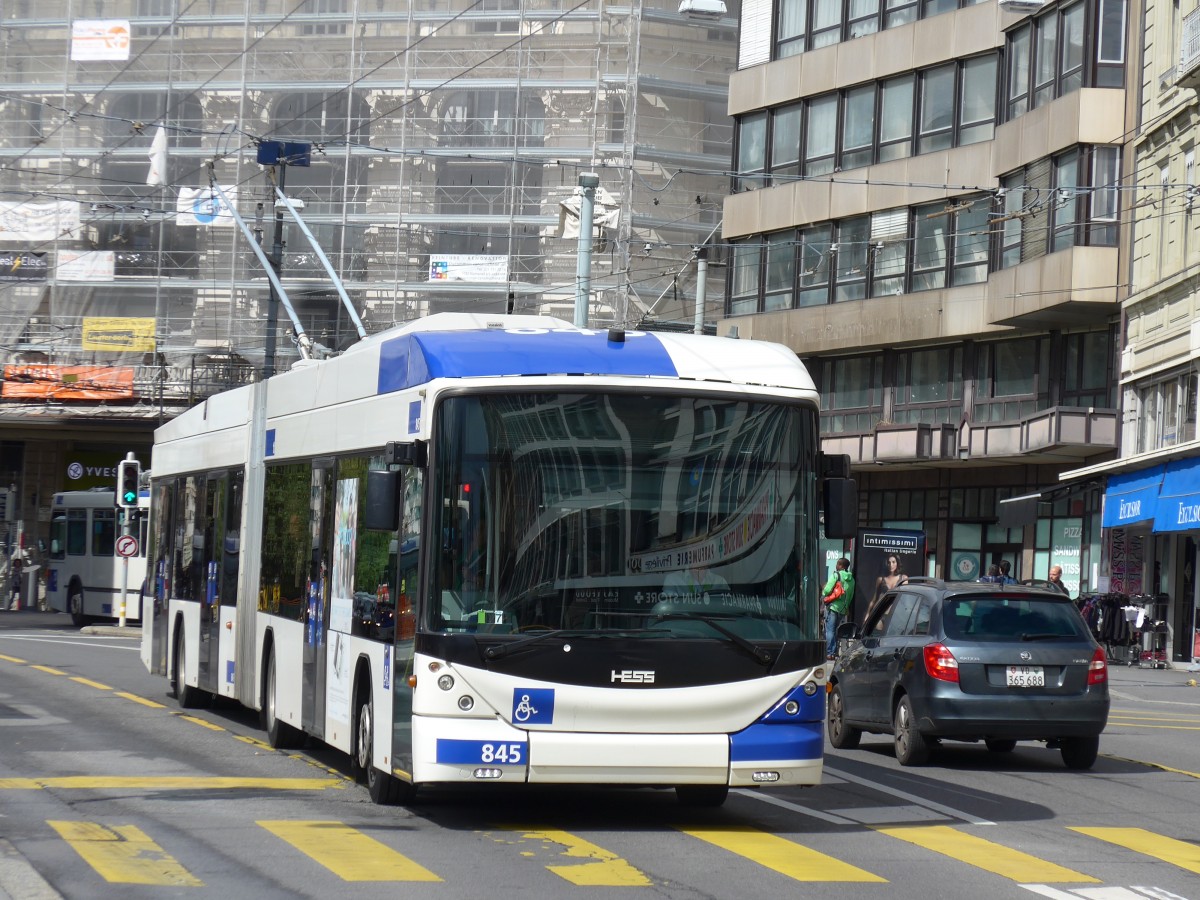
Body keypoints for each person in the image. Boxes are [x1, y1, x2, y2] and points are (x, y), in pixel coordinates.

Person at [822, 557, 854, 660]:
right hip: (842, 609)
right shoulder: (851, 579)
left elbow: (827, 590)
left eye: (837, 564)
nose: (836, 565)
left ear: (841, 566)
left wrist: (823, 594)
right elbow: (850, 596)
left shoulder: (836, 575)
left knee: (829, 630)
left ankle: (829, 653)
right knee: (835, 630)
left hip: (833, 606)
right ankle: (834, 652)